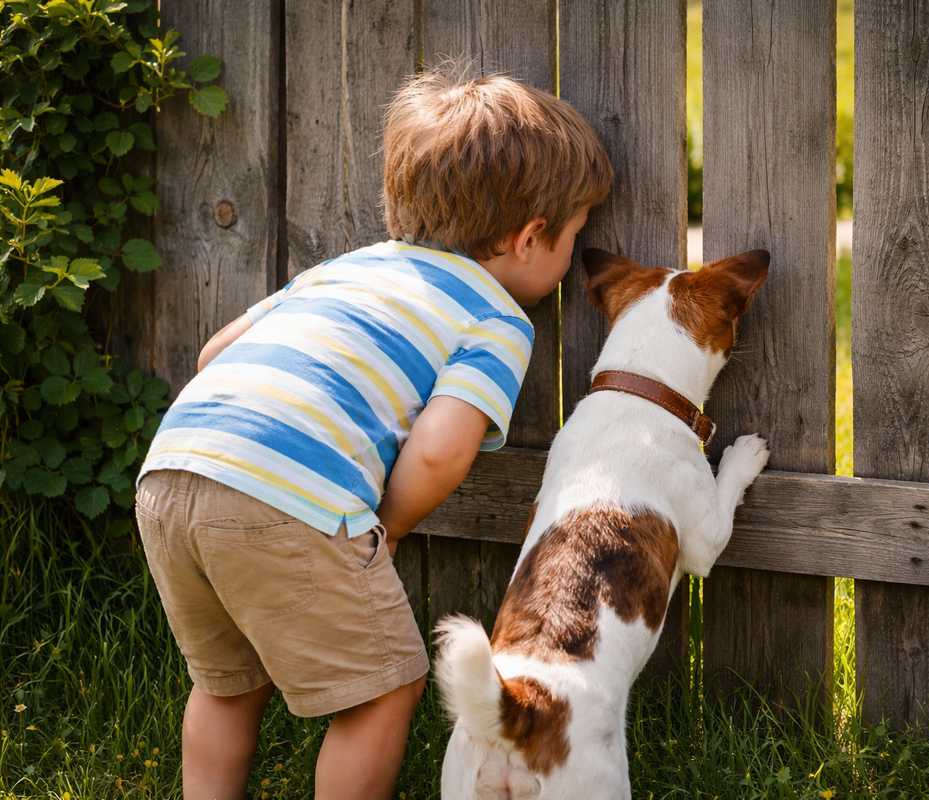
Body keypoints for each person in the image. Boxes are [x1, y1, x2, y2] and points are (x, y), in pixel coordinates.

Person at [133, 66, 612, 800]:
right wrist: (383, 529)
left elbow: (211, 355)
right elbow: (441, 448)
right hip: (289, 498)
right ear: (530, 237)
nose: (574, 257)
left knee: (226, 685)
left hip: (172, 471)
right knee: (385, 692)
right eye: (575, 239)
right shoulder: (493, 319)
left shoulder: (346, 268)